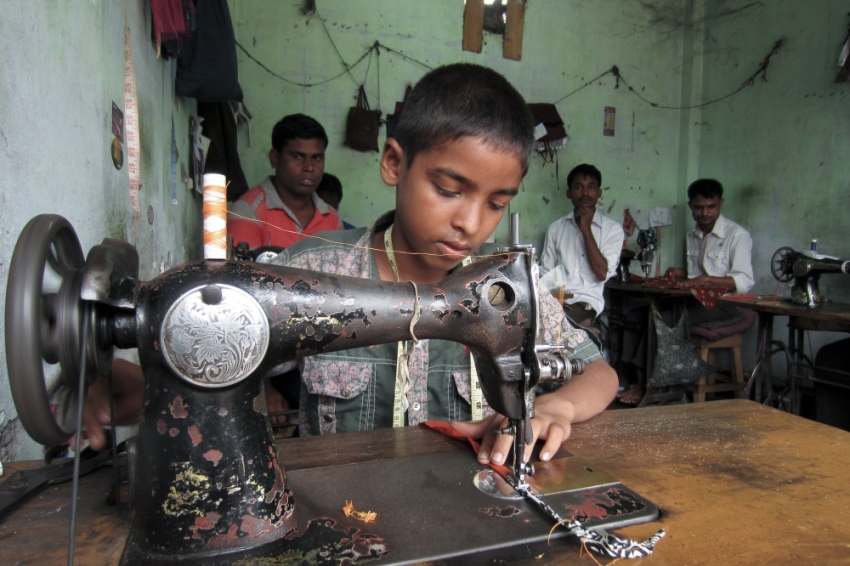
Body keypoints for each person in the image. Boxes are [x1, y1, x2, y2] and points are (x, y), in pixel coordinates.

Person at [80, 64, 619, 468]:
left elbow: (600, 372)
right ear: (394, 163)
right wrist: (122, 389)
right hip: (340, 513)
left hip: (465, 509)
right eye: (448, 190)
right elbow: (215, 366)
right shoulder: (312, 274)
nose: (471, 223)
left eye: (497, 203)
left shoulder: (505, 290)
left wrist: (559, 409)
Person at [618, 178, 754, 404]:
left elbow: (744, 281)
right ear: (690, 205)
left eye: (711, 207)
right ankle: (628, 378)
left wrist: (706, 279)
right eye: (699, 207)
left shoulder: (736, 235)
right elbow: (695, 274)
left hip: (724, 305)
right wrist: (680, 272)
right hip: (694, 301)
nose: (705, 213)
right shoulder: (693, 234)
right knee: (635, 315)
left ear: (721, 203)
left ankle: (646, 386)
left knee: (659, 321)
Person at [228, 114, 343, 249]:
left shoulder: (332, 218)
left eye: (316, 158)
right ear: (275, 158)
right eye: (298, 157)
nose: (309, 167)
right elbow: (243, 263)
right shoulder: (248, 212)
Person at [539, 164, 624, 333]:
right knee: (524, 321)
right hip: (557, 301)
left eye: (591, 187)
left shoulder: (612, 230)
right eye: (578, 187)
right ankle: (585, 330)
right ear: (568, 193)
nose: (585, 193)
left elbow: (601, 274)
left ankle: (584, 328)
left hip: (586, 303)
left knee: (550, 325)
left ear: (599, 193)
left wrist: (586, 229)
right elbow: (547, 274)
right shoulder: (556, 228)